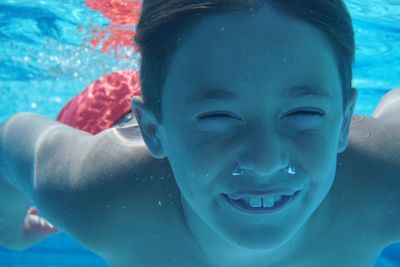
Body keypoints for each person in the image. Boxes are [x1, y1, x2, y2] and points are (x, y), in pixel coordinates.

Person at [1, 0, 400, 266]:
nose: (264, 162)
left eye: (303, 112)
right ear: (154, 131)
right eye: (217, 118)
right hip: (109, 113)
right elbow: (11, 139)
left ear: (345, 119)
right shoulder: (95, 196)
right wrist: (11, 231)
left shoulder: (389, 185)